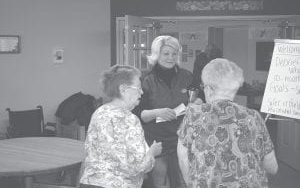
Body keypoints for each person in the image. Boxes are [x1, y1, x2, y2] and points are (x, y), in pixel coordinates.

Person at [177, 58, 278, 188]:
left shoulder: (193, 116)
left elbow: (183, 160)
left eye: (203, 86)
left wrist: (192, 184)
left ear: (209, 89)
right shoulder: (254, 117)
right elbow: (272, 167)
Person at [80, 65, 162, 188]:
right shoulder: (129, 119)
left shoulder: (99, 112)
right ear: (123, 89)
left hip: (90, 182)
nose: (142, 92)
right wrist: (152, 153)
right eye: (138, 88)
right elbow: (136, 166)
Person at [134, 35, 193, 188]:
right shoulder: (145, 79)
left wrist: (197, 103)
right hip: (156, 142)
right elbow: (138, 115)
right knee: (161, 184)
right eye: (166, 53)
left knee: (183, 183)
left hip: (181, 140)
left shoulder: (186, 76)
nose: (170, 58)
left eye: (174, 54)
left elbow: (195, 101)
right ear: (156, 55)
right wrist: (156, 112)